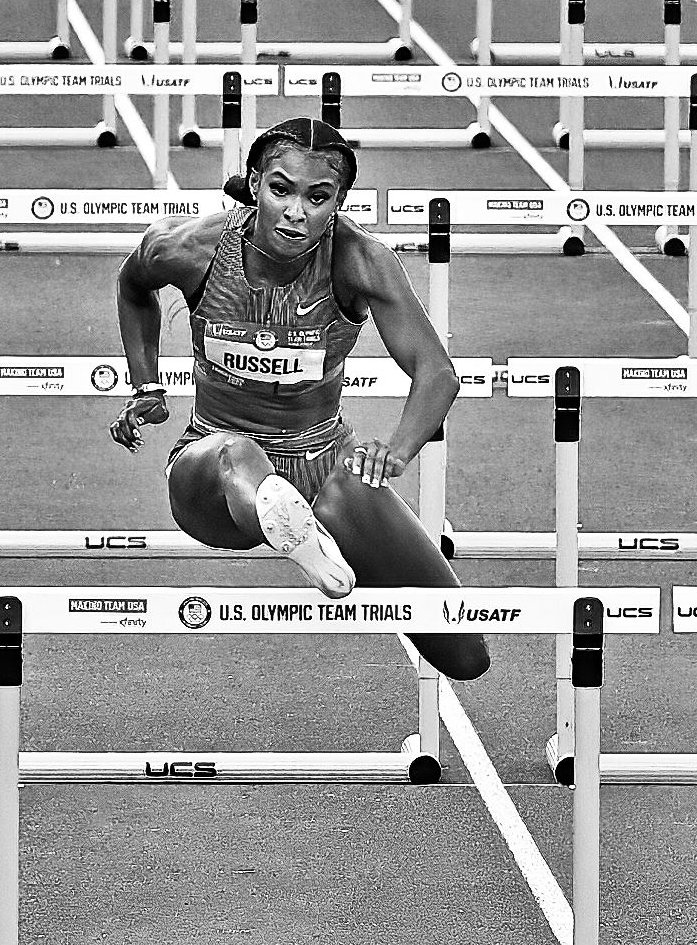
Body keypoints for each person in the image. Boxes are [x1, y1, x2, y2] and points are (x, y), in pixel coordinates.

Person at [111, 115, 488, 680]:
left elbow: (436, 373)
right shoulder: (190, 249)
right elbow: (132, 284)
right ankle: (292, 528)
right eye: (280, 189)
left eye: (318, 197)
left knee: (465, 655)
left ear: (338, 201)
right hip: (213, 471)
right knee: (235, 453)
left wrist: (397, 451)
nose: (296, 212)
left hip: (324, 460)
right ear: (254, 183)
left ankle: (303, 521)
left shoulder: (359, 260)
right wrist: (145, 382)